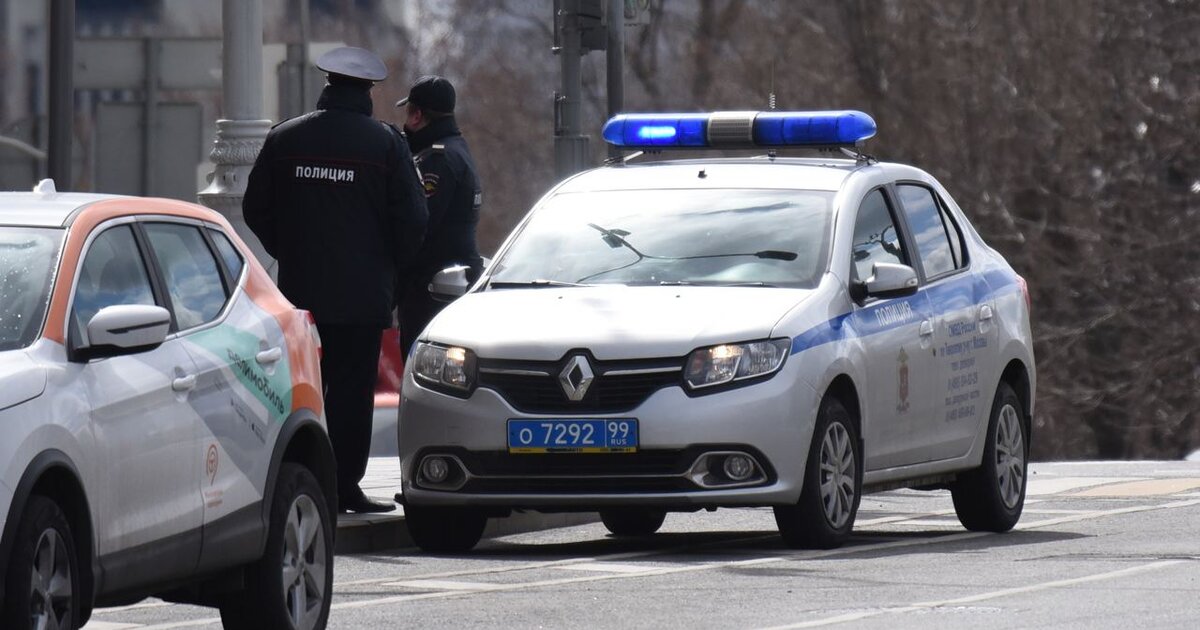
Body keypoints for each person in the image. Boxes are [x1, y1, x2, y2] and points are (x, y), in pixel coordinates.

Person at [244, 47, 427, 513]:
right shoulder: (385, 144)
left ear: (325, 86)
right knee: (351, 394)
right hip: (362, 297)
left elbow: (254, 209)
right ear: (366, 92)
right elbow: (413, 220)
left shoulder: (286, 138)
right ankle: (344, 486)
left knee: (300, 390)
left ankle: (296, 482)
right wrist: (391, 270)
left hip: (299, 295)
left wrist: (290, 250)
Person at [395, 75, 484, 354]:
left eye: (408, 113)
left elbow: (420, 222)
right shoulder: (455, 148)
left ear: (418, 115)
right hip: (444, 286)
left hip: (433, 290)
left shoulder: (437, 159)